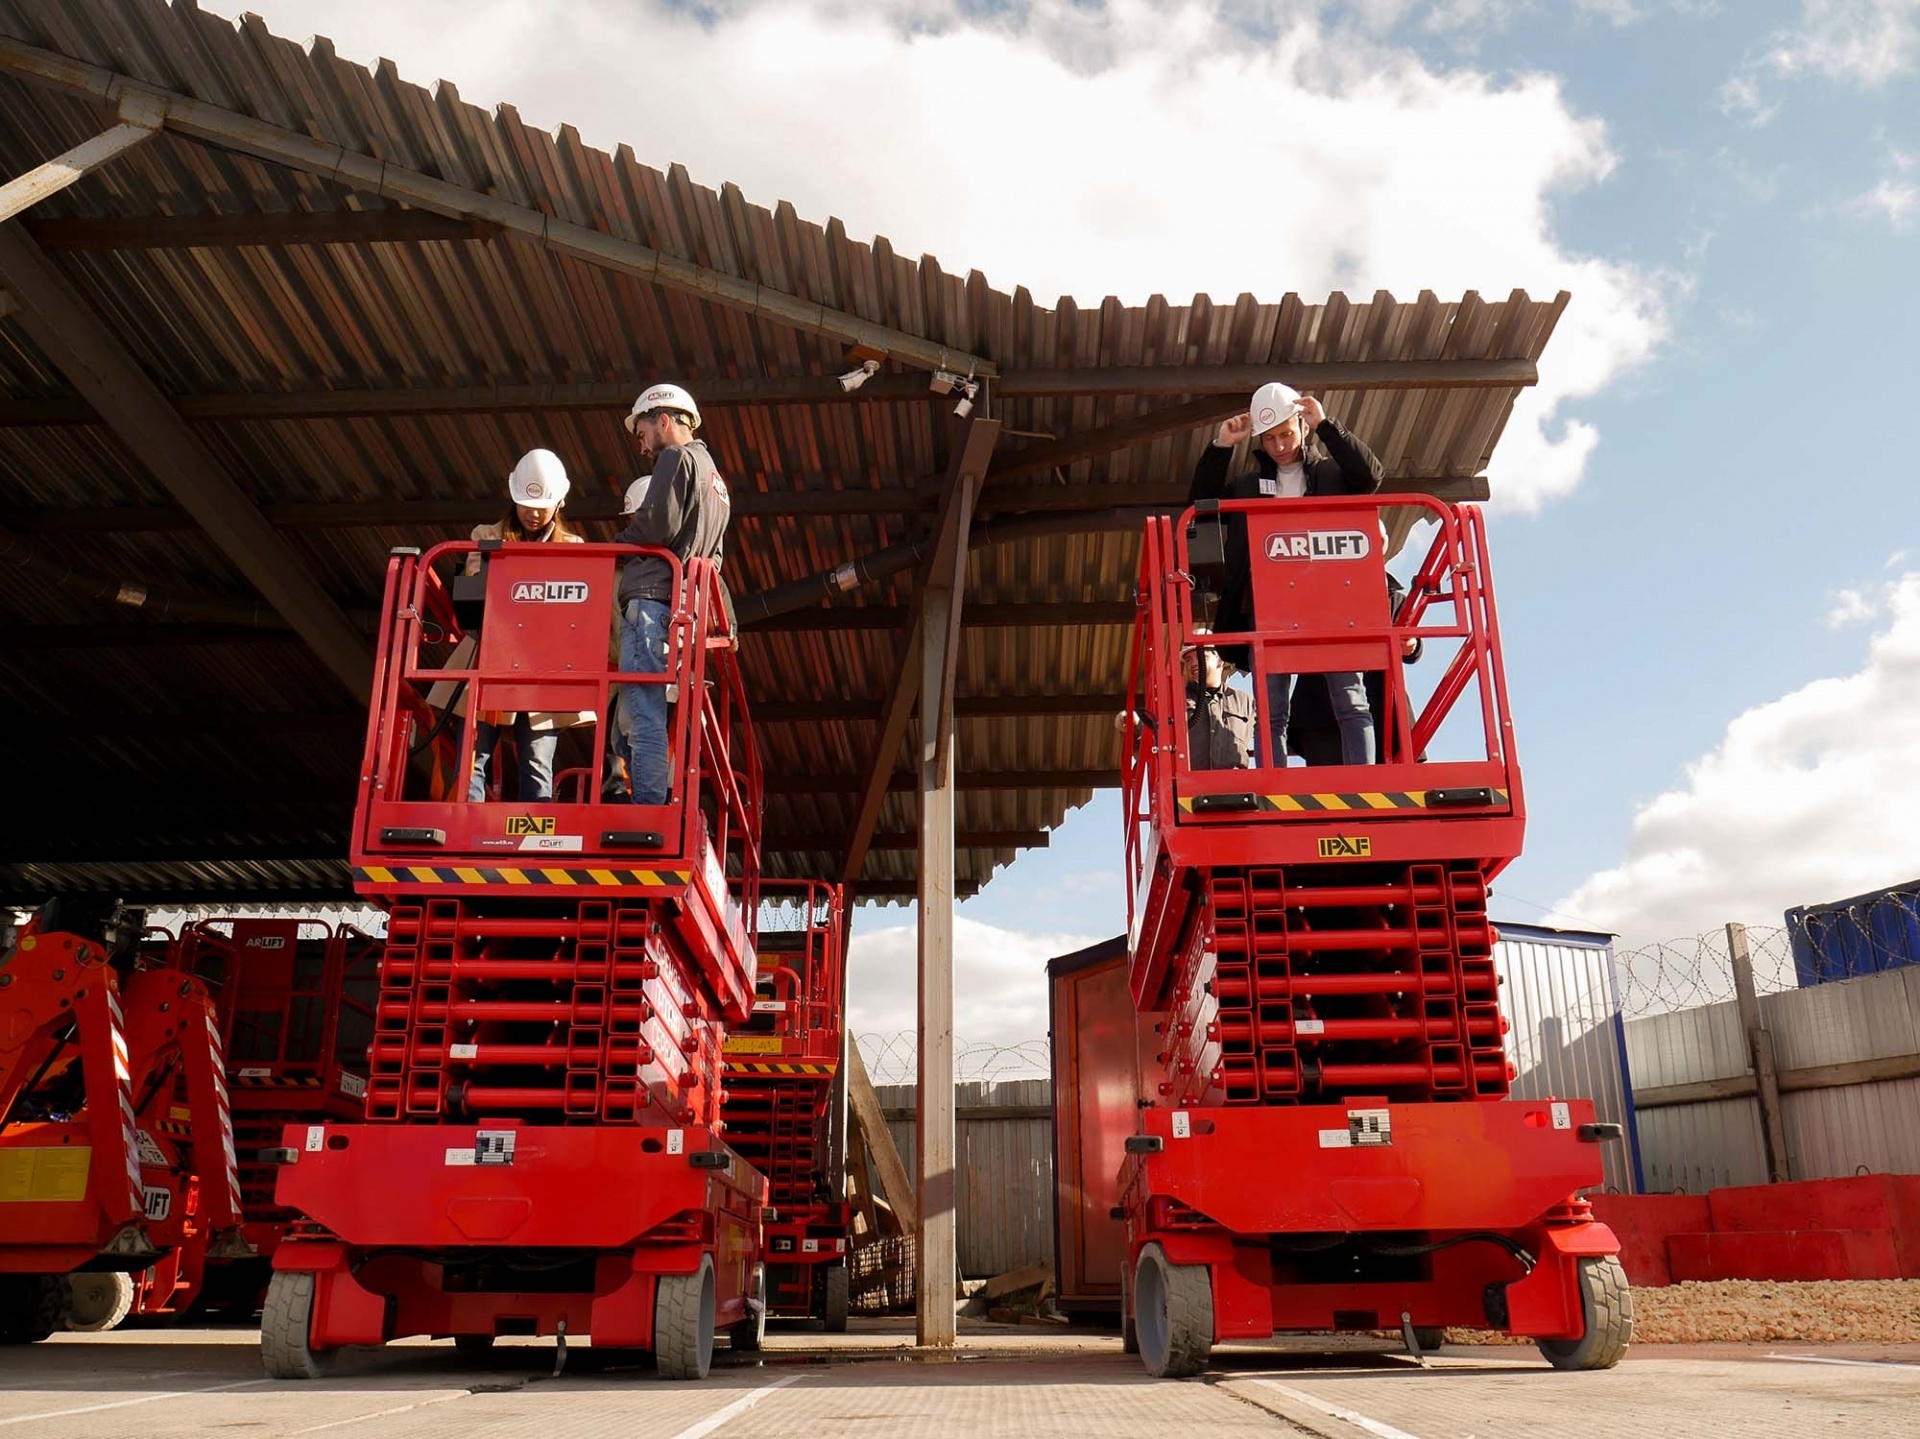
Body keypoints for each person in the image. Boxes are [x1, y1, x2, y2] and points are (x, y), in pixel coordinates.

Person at [1188, 381, 1384, 767]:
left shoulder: (1332, 475)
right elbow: (1200, 505)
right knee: (1272, 707)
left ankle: (1363, 777)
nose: (1279, 445)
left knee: (1350, 698)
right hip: (1268, 602)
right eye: (1270, 438)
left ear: (1302, 427)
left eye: (1286, 434)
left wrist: (1327, 425)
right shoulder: (1247, 486)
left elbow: (1370, 477)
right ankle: (1272, 781)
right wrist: (1222, 445)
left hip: (1330, 599)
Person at [616, 383, 731, 806]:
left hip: (651, 603)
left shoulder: (675, 458)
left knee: (642, 715)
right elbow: (715, 559)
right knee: (656, 714)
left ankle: (647, 810)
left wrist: (616, 546)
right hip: (681, 613)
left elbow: (656, 527)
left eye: (643, 432)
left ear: (663, 420)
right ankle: (657, 802)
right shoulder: (716, 481)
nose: (643, 445)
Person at [463, 449, 588, 802]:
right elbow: (470, 595)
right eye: (526, 504)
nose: (533, 513)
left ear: (559, 503)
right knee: (473, 756)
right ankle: (465, 821)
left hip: (544, 668)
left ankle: (535, 830)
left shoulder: (574, 547)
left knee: (537, 762)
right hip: (491, 659)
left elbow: (578, 615)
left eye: (542, 506)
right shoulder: (485, 534)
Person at [1288, 575, 1424, 767]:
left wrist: (1413, 644)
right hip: (1322, 713)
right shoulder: (1314, 592)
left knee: (1391, 778)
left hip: (1383, 711)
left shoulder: (1393, 597)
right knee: (1331, 781)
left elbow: (1412, 643)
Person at [1184, 633, 1256, 770]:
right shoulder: (1177, 700)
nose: (1193, 664)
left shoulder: (1245, 701)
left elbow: (1269, 734)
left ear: (1219, 661)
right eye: (1188, 660)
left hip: (1236, 782)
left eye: (1201, 657)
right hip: (1190, 782)